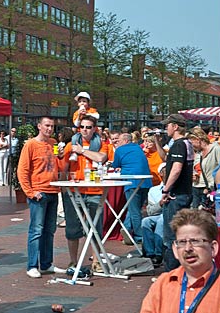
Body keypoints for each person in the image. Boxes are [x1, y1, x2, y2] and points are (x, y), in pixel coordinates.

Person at [137, 208, 220, 313]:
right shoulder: (162, 284)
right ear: (175, 249)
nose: (188, 248)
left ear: (213, 248)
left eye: (195, 241)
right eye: (182, 242)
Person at [18, 116, 67, 278]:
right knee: (37, 230)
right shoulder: (31, 145)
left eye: (52, 126)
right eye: (46, 125)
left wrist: (60, 157)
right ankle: (32, 265)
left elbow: (56, 166)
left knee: (49, 230)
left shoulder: (52, 143)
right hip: (39, 192)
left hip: (53, 190)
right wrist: (30, 192)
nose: (49, 129)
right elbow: (23, 170)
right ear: (39, 126)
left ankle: (46, 263)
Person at [62, 115, 108, 273]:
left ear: (94, 129)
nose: (85, 130)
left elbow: (101, 158)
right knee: (72, 227)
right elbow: (63, 165)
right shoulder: (71, 144)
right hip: (75, 191)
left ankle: (96, 261)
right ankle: (73, 261)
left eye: (88, 127)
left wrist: (82, 151)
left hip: (95, 191)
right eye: (82, 127)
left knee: (95, 227)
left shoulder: (101, 144)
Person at [160, 113, 194, 271]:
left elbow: (176, 168)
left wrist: (166, 189)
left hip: (177, 195)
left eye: (168, 125)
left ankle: (171, 274)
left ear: (175, 127)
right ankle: (180, 271)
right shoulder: (187, 143)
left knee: (171, 236)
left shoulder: (179, 144)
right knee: (179, 233)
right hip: (184, 193)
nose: (166, 128)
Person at [112, 132, 153, 245]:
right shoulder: (138, 148)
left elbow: (115, 165)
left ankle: (140, 236)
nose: (117, 142)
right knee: (134, 207)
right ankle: (126, 228)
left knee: (134, 211)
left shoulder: (120, 150)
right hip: (146, 181)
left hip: (132, 182)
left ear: (125, 141)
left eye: (119, 140)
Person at [187, 128, 220, 209]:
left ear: (198, 139)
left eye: (191, 142)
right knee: (195, 216)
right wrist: (194, 174)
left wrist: (213, 187)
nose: (191, 145)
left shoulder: (215, 149)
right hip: (196, 188)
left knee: (207, 216)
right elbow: (196, 168)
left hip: (209, 189)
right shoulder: (198, 152)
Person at [142, 163, 167, 268]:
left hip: (171, 215)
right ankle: (149, 253)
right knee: (146, 221)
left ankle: (158, 253)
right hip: (158, 213)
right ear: (160, 173)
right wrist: (160, 204)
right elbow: (150, 211)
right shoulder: (153, 190)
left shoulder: (177, 188)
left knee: (162, 220)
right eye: (165, 170)